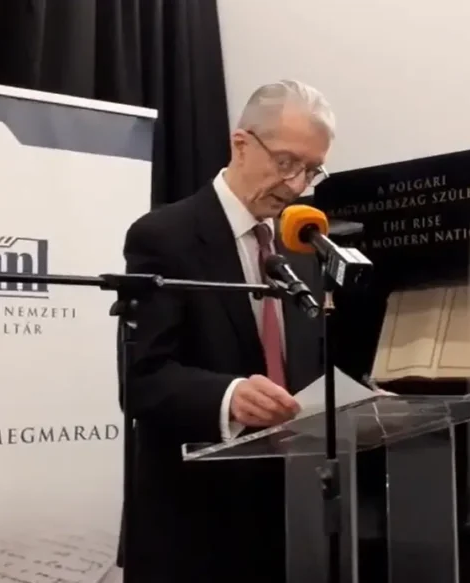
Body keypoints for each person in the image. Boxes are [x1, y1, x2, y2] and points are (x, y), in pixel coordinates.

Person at [119, 80, 336, 583]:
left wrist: (364, 400)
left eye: (312, 170)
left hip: (292, 525)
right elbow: (141, 379)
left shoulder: (303, 249)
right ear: (241, 144)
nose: (297, 185)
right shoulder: (165, 236)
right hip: (196, 528)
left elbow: (307, 370)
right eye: (286, 162)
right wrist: (230, 396)